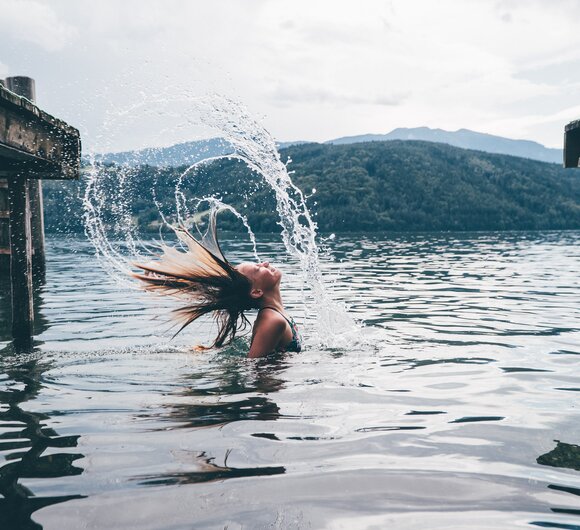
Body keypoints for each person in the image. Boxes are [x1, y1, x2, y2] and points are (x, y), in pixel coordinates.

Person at [131, 215, 301, 358]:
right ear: (256, 292)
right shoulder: (273, 320)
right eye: (259, 268)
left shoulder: (275, 315)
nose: (265, 263)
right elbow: (254, 369)